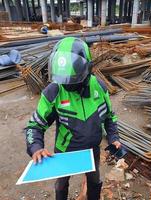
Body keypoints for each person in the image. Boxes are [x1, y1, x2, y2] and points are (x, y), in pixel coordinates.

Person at [25, 37, 121, 200]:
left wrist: (113, 137)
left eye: (73, 82)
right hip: (65, 152)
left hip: (92, 150)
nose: (67, 86)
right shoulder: (54, 91)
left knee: (94, 180)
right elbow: (34, 126)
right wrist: (35, 147)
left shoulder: (98, 86)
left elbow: (110, 117)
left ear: (87, 71)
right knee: (61, 184)